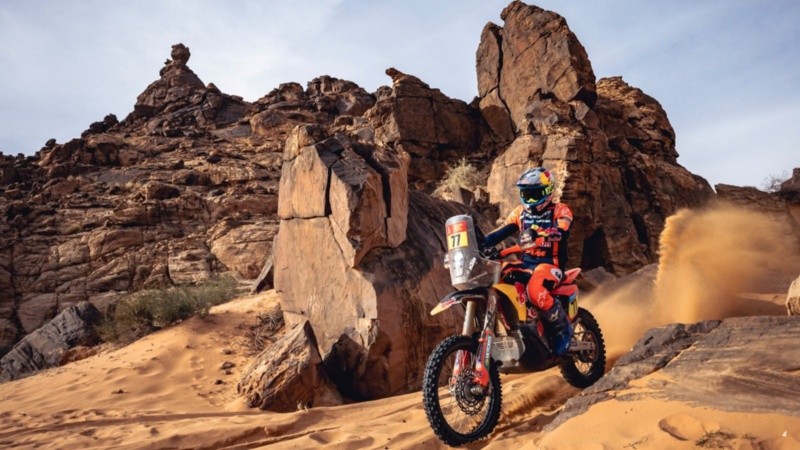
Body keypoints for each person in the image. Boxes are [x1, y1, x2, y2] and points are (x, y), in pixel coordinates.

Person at [480, 167, 574, 354]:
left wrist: (552, 232)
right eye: (526, 194)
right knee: (496, 277)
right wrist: (481, 243)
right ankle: (517, 325)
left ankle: (562, 330)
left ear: (548, 192)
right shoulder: (519, 213)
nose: (530, 200)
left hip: (550, 265)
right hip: (525, 264)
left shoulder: (560, 209)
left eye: (534, 194)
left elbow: (564, 226)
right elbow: (500, 233)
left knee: (535, 290)